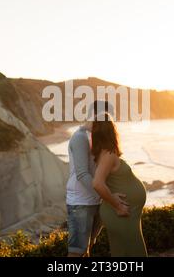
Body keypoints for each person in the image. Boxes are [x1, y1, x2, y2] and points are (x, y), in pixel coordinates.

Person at [66, 100, 128, 257]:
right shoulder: (80, 138)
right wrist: (107, 197)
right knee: (77, 252)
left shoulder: (96, 136)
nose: (109, 120)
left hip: (97, 201)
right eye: (106, 115)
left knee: (88, 248)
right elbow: (82, 174)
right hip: (81, 203)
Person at [92, 112, 148, 257]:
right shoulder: (108, 155)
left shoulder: (103, 154)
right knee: (136, 252)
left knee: (121, 252)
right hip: (121, 211)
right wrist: (117, 205)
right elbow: (97, 184)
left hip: (123, 211)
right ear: (112, 130)